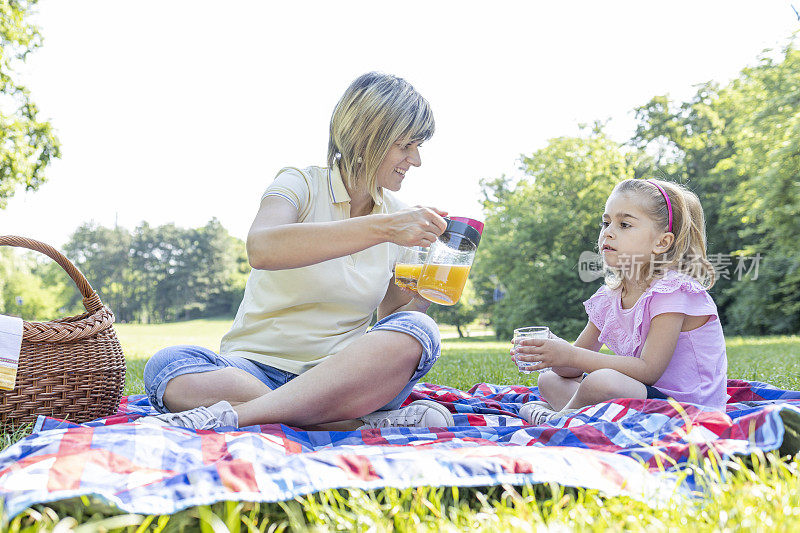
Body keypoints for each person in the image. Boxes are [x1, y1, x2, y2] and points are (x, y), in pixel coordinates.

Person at [139, 72, 455, 431]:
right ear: (369, 138)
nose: (415, 160)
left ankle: (244, 415)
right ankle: (344, 423)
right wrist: (384, 228)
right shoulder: (298, 184)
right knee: (168, 365)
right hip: (253, 370)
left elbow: (394, 322)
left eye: (418, 146)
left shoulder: (400, 216)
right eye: (405, 146)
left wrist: (426, 296)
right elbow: (262, 247)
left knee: (420, 329)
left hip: (341, 378)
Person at [514, 178, 728, 425]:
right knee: (549, 380)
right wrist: (551, 349)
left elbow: (649, 370)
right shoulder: (610, 298)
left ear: (662, 242)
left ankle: (558, 422)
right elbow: (571, 369)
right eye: (606, 223)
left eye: (624, 224)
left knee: (602, 382)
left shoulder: (672, 291)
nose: (608, 232)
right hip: (643, 398)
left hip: (687, 411)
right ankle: (575, 416)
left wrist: (570, 355)